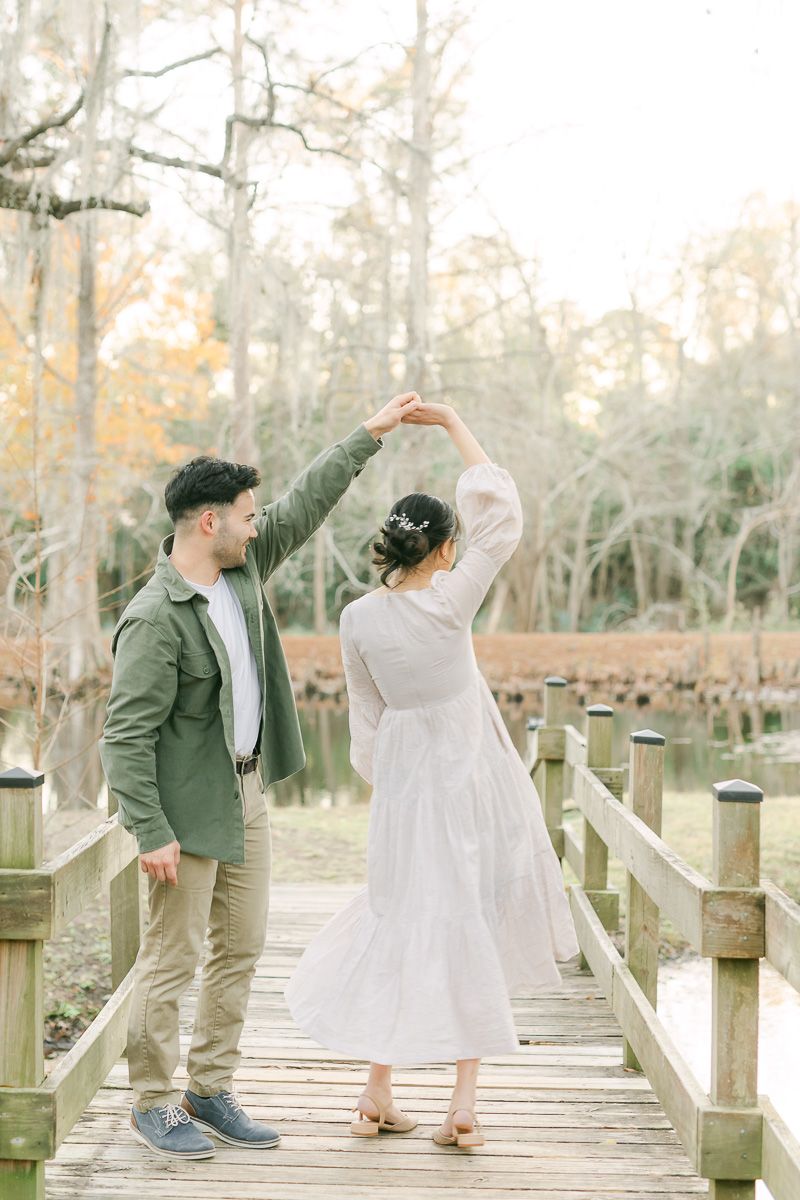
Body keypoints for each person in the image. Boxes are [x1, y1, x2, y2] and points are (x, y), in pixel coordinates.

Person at [100, 392, 421, 1160]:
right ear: (209, 522)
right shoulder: (155, 616)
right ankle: (152, 1101)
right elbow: (123, 735)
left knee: (240, 949)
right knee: (172, 960)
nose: (257, 523)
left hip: (247, 795)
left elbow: (305, 501)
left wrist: (368, 434)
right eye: (245, 514)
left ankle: (208, 1090)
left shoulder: (240, 574)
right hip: (184, 813)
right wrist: (152, 831)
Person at [285, 402, 580, 1148]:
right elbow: (499, 514)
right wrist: (450, 422)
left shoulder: (357, 619)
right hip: (467, 771)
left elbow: (366, 719)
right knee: (467, 917)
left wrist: (388, 787)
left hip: (406, 778)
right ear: (445, 550)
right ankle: (463, 1103)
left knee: (403, 916)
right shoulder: (453, 598)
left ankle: (376, 1091)